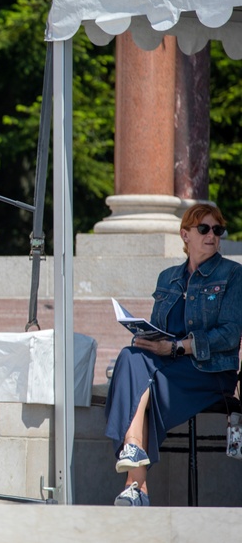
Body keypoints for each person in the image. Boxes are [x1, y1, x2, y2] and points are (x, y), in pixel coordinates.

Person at [104, 203, 242, 506]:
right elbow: (160, 326)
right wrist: (150, 338)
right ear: (185, 234)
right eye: (203, 229)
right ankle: (133, 448)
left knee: (141, 384)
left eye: (217, 230)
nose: (212, 236)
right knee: (131, 356)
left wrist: (179, 346)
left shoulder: (233, 274)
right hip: (168, 365)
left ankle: (136, 485)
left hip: (209, 372)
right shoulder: (168, 277)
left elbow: (230, 334)